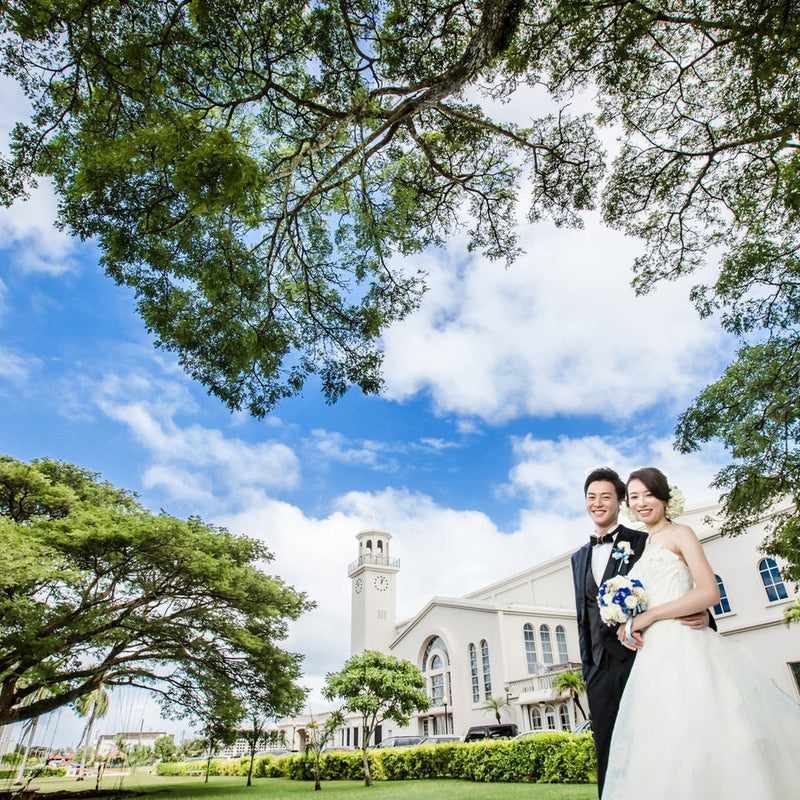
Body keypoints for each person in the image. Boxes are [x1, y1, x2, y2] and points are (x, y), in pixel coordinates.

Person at [603, 467, 800, 799]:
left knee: (702, 729)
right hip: (654, 654)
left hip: (685, 644)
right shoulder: (646, 545)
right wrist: (630, 622)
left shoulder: (682, 533)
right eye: (634, 497)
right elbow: (658, 596)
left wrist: (650, 615)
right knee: (663, 739)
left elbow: (709, 592)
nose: (641, 503)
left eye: (649, 494)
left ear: (665, 497)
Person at [571, 467, 711, 796]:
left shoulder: (644, 539)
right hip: (599, 670)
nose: (598, 503)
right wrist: (587, 665)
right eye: (591, 497)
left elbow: (681, 582)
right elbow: (583, 615)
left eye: (606, 496)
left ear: (620, 502)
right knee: (608, 749)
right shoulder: (578, 558)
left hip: (644, 657)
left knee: (659, 744)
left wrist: (704, 615)